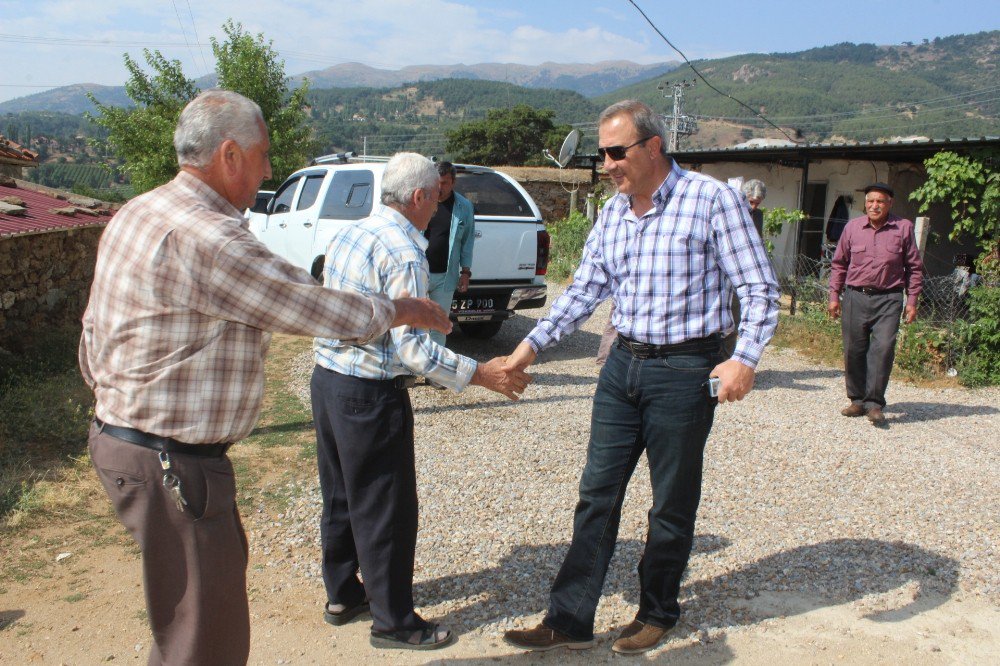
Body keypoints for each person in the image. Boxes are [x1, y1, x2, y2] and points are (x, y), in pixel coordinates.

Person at [79, 90, 452, 666]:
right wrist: (404, 310)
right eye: (264, 153)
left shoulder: (140, 209)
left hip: (127, 441)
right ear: (230, 155)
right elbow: (309, 305)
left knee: (185, 627)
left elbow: (92, 330)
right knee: (204, 642)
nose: (271, 169)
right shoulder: (210, 236)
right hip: (170, 461)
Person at [502, 100, 780, 655]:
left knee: (670, 501)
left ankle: (656, 611)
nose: (606, 163)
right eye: (601, 153)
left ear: (653, 147)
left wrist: (744, 358)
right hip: (622, 364)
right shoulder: (613, 212)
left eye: (615, 152)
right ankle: (570, 618)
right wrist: (529, 347)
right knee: (596, 494)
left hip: (685, 370)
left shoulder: (711, 200)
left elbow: (758, 288)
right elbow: (585, 289)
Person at [310, 152, 530, 651]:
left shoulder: (350, 232)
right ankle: (394, 623)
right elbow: (413, 349)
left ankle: (343, 595)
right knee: (386, 508)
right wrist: (481, 373)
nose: (438, 206)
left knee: (342, 496)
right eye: (436, 196)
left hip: (327, 384)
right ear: (417, 197)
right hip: (368, 394)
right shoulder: (405, 251)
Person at [828, 181, 924, 425]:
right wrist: (833, 296)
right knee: (853, 349)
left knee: (882, 351)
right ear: (865, 203)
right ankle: (857, 400)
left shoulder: (903, 228)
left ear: (889, 204)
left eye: (880, 201)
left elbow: (914, 267)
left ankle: (874, 403)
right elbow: (839, 264)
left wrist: (912, 301)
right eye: (870, 201)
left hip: (889, 299)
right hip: (855, 297)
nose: (874, 205)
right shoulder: (852, 228)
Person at [423, 160, 476, 347]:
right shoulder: (421, 201)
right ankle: (411, 370)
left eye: (444, 183)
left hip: (445, 277)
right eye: (437, 182)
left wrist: (465, 272)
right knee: (415, 324)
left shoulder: (464, 207)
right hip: (419, 272)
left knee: (439, 325)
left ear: (453, 182)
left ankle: (434, 373)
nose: (440, 187)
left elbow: (467, 241)